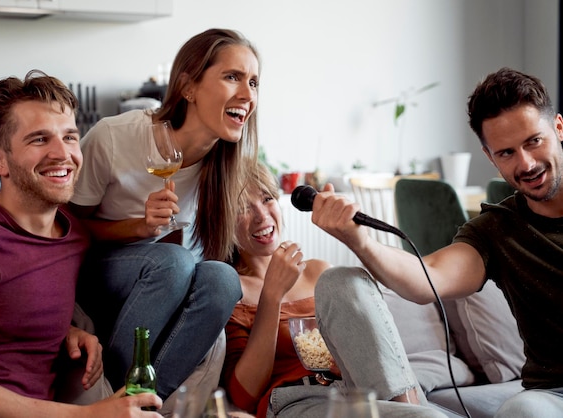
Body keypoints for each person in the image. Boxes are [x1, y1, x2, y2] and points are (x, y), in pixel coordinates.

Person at [308, 67, 563, 418]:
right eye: (506, 153)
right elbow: (428, 276)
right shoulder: (497, 230)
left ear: (558, 128)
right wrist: (359, 240)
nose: (527, 163)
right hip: (552, 396)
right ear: (490, 157)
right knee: (523, 411)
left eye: (534, 141)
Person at [0, 69, 163, 417]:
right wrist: (89, 416)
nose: (62, 153)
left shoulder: (74, 235)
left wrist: (66, 329)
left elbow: (15, 304)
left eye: (70, 137)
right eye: (39, 139)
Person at [69, 28, 260, 400]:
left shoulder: (223, 170)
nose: (247, 95)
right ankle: (115, 392)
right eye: (232, 77)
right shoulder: (115, 138)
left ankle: (143, 402)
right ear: (188, 87)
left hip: (161, 286)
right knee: (173, 261)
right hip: (96, 281)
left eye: (253, 82)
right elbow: (66, 231)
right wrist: (138, 227)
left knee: (222, 278)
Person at [222, 162, 447, 418]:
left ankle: (408, 405)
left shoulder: (320, 273)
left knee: (341, 278)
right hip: (299, 399)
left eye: (267, 199)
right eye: (242, 207)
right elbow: (244, 395)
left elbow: (377, 347)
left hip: (364, 390)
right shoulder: (232, 289)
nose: (262, 216)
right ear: (224, 219)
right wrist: (272, 295)